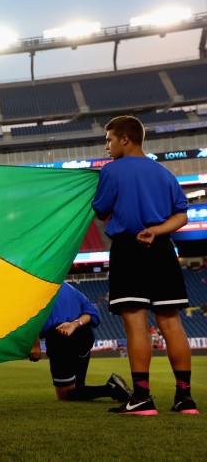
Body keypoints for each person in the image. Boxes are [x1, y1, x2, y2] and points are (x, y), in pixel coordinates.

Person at [91, 115, 197, 415]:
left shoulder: (112, 170)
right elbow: (182, 215)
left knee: (136, 322)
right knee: (171, 323)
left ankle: (141, 398)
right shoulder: (163, 173)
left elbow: (100, 210)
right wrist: (156, 231)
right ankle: (185, 399)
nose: (107, 147)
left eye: (109, 140)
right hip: (162, 248)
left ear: (125, 139)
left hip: (129, 248)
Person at [29, 282, 133, 402]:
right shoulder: (67, 286)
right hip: (84, 334)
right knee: (79, 389)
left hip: (61, 336)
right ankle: (98, 390)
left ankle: (111, 388)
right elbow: (93, 312)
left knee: (66, 395)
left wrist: (35, 346)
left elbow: (30, 316)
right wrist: (74, 324)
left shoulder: (34, 287)